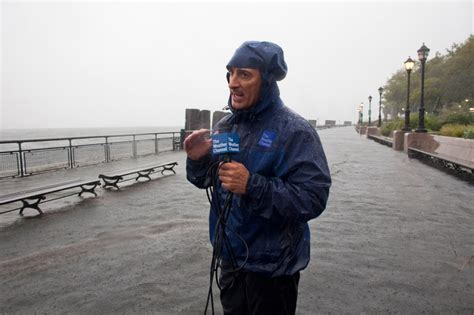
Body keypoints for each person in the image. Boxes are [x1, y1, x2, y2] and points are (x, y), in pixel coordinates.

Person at [184, 41, 331, 315]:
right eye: (230, 73)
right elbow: (208, 180)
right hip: (230, 259)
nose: (233, 83)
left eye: (244, 74)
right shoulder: (226, 126)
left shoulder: (295, 131)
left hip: (273, 270)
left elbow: (313, 198)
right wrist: (198, 160)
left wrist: (252, 185)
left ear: (266, 80)